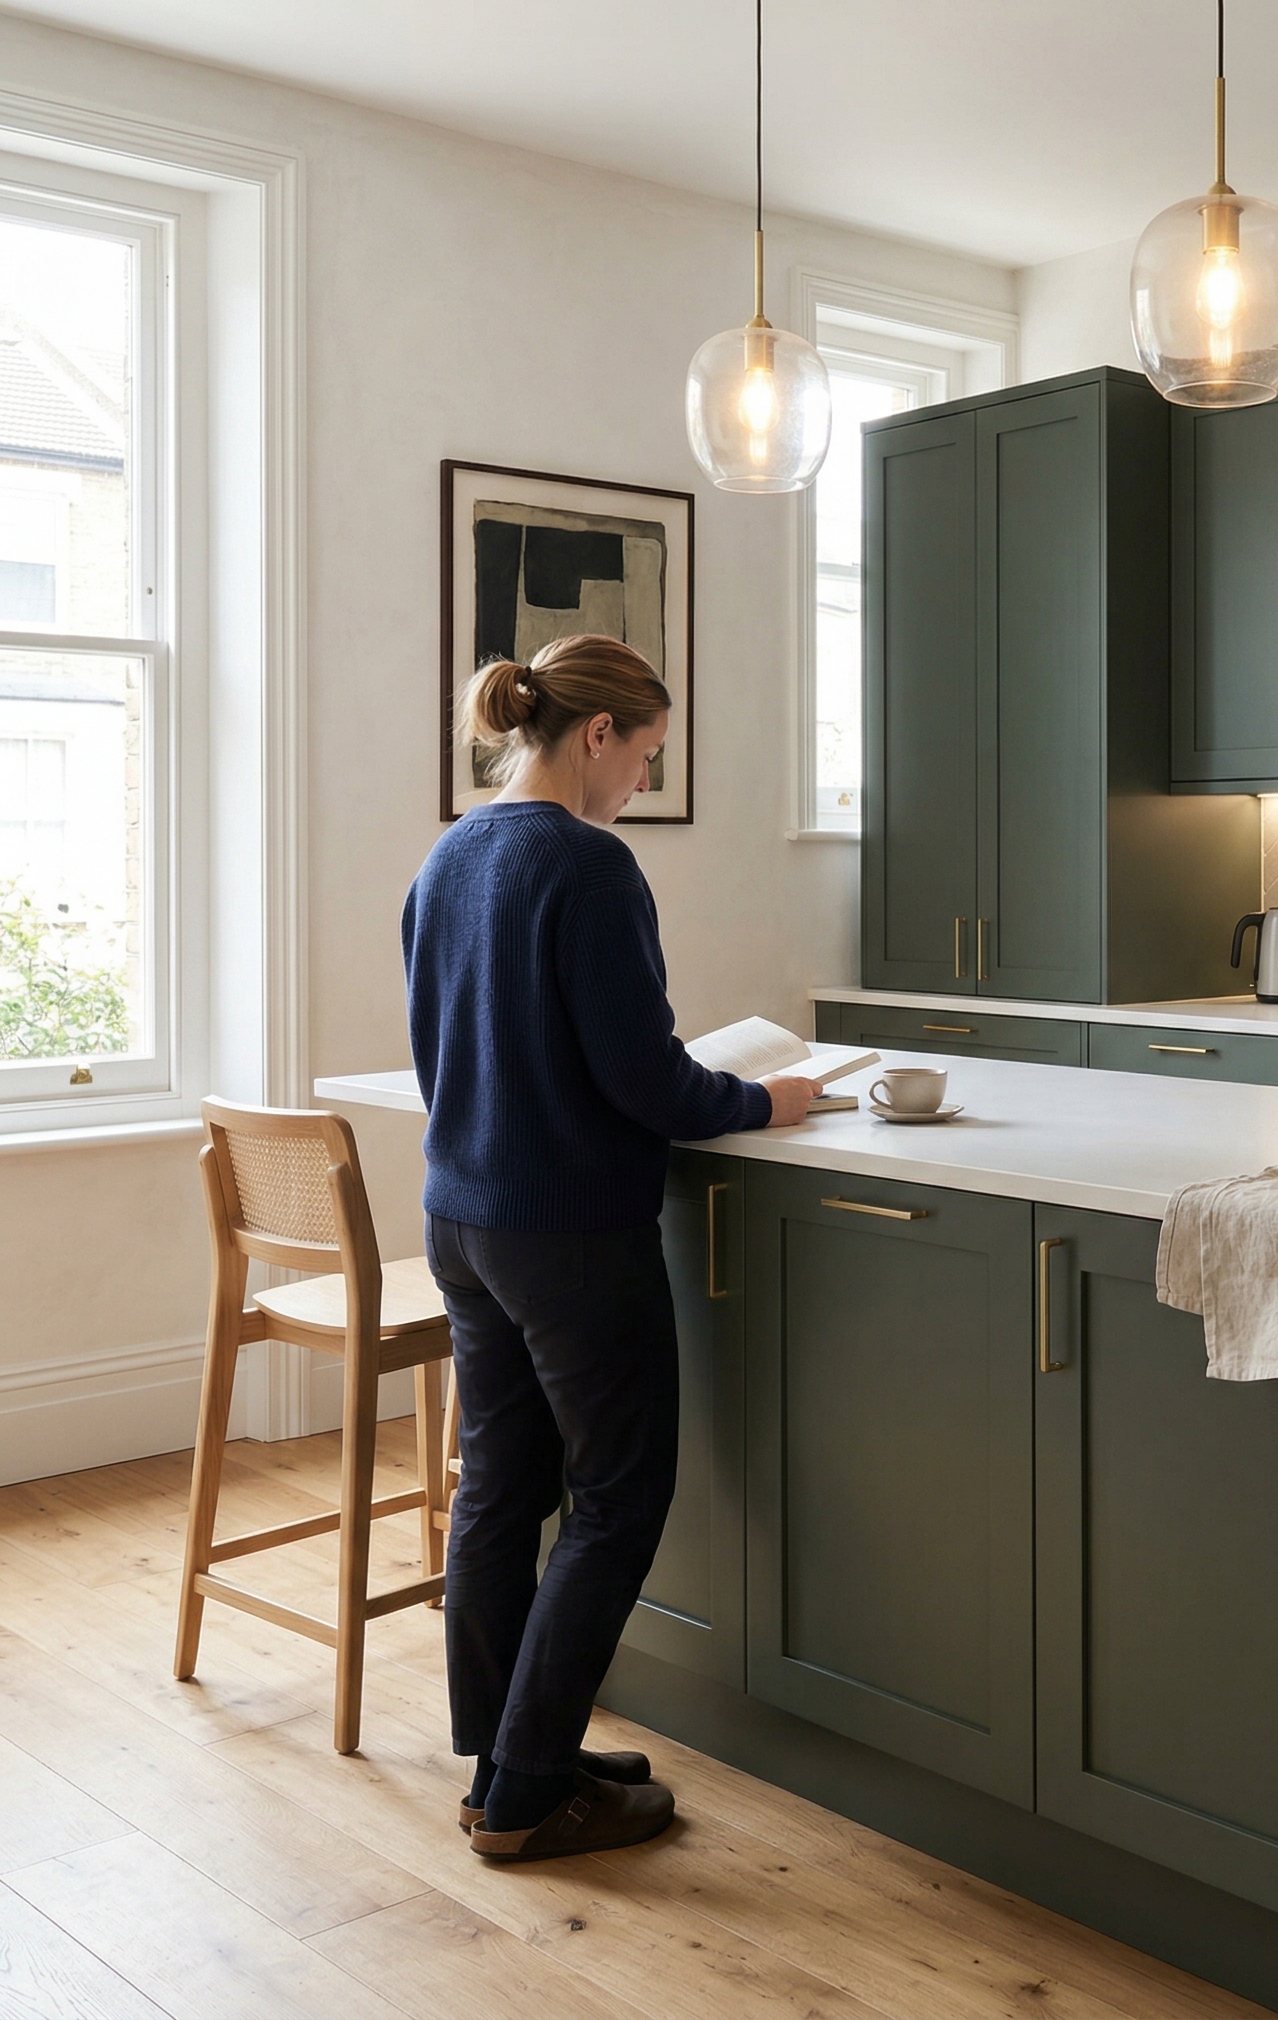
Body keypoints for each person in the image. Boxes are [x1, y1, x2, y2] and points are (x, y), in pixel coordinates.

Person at [402, 633, 817, 1862]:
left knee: (499, 1487)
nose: (641, 778)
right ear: (595, 734)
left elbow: (447, 1049)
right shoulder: (585, 864)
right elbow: (646, 1079)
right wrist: (766, 1101)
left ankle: (502, 1761)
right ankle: (530, 1792)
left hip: (461, 1218)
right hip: (568, 1233)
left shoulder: (449, 852)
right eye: (645, 753)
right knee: (618, 1497)